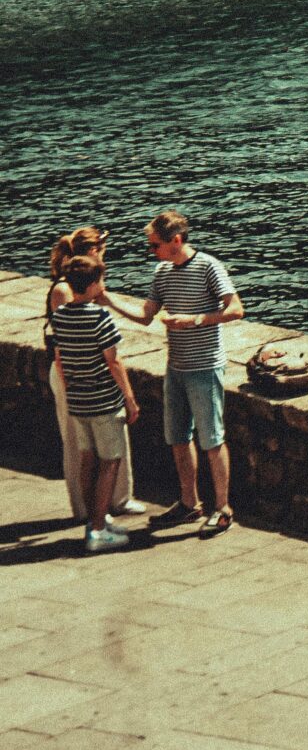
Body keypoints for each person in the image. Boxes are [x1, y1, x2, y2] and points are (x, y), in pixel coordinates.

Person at [140, 210, 243, 534]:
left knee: (212, 439)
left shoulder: (208, 266)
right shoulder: (162, 271)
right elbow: (145, 315)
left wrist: (195, 320)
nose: (151, 251)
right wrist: (106, 300)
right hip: (176, 367)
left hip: (204, 368)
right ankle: (189, 503)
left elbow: (235, 308)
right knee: (178, 438)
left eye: (155, 245)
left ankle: (223, 508)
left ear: (176, 241)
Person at [45, 227, 150, 525]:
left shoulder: (85, 284)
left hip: (86, 381)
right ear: (93, 251)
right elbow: (66, 349)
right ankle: (89, 511)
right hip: (78, 378)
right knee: (81, 447)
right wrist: (127, 397)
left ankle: (114, 502)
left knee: (97, 450)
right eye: (102, 248)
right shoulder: (65, 290)